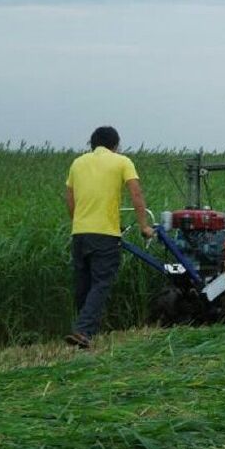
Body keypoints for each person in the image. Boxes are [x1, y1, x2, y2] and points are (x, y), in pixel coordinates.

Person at [64, 126, 154, 348]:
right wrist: (144, 226)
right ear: (115, 145)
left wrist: (80, 220)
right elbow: (136, 194)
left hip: (79, 233)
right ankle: (83, 330)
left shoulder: (77, 163)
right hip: (105, 235)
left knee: (83, 284)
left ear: (92, 144)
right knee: (101, 283)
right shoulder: (122, 161)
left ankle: (83, 331)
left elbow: (69, 197)